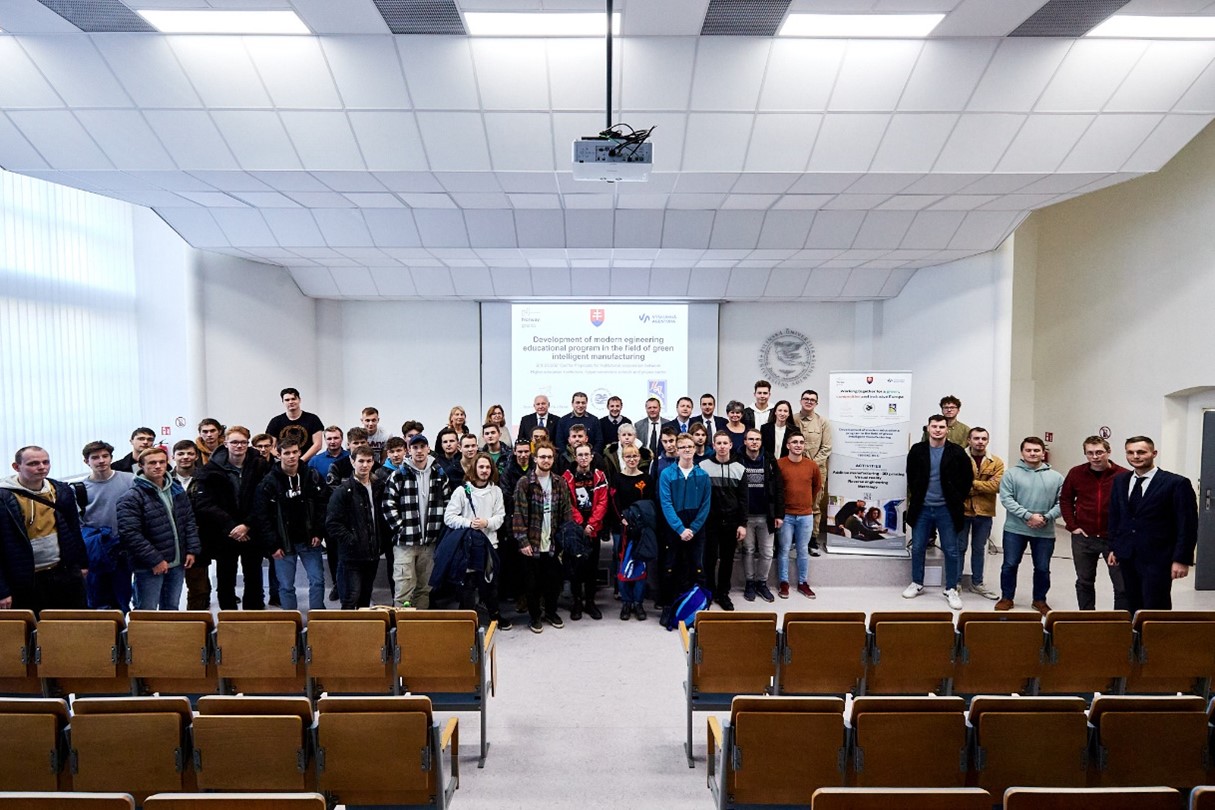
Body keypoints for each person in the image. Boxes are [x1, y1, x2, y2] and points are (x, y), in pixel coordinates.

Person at [1108, 436, 1198, 613]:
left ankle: (1156, 632)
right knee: (1131, 602)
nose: (1136, 456)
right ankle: (1135, 631)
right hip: (1128, 555)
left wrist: (1181, 559)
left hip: (1159, 557)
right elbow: (1116, 516)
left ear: (1154, 453)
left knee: (1156, 604)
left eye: (1141, 452)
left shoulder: (1176, 483)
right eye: (1130, 452)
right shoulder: (1120, 481)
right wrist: (1114, 547)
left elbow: (1187, 525)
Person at [0, 446, 89, 614]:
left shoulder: (61, 490)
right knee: (32, 626)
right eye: (33, 463)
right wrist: (2, 590)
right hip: (25, 579)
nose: (42, 467)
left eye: (45, 462)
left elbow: (74, 530)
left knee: (71, 622)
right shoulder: (4, 498)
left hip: (63, 572)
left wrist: (82, 564)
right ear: (16, 467)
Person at [192, 426, 271, 610]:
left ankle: (254, 613)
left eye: (243, 442)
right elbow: (204, 503)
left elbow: (265, 499)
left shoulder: (260, 466)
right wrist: (231, 525)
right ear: (225, 443)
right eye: (234, 442)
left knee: (254, 575)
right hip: (224, 532)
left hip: (252, 530)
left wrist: (247, 524)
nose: (239, 446)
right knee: (225, 576)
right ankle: (228, 615)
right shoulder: (210, 469)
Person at [116, 446, 200, 611]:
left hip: (177, 562)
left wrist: (191, 549)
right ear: (141, 466)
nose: (158, 466)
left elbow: (188, 520)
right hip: (149, 566)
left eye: (162, 462)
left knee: (171, 608)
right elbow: (130, 534)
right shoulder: (131, 497)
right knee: (146, 610)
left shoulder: (176, 489)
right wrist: (155, 560)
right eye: (152, 463)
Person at [904, 414, 974, 611]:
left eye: (941, 427)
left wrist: (956, 498)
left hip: (947, 510)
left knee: (951, 550)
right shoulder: (917, 450)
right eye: (934, 426)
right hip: (923, 508)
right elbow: (911, 475)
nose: (937, 430)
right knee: (918, 547)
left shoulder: (957, 452)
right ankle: (917, 582)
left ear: (946, 429)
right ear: (928, 428)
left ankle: (951, 588)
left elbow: (967, 478)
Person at [255, 438, 330, 612]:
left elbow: (323, 505)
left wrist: (319, 532)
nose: (292, 456)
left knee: (317, 580)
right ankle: (291, 619)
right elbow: (262, 517)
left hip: (310, 539)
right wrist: (272, 545)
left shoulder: (312, 476)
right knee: (286, 585)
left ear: (299, 453)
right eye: (287, 453)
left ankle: (317, 616)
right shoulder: (269, 482)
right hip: (283, 543)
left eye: (295, 452)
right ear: (279, 455)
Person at [382, 434, 452, 609]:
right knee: (404, 590)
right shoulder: (399, 475)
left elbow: (448, 503)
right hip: (405, 544)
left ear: (428, 449)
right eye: (415, 447)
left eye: (422, 447)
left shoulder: (439, 474)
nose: (419, 451)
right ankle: (401, 622)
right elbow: (388, 504)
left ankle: (418, 622)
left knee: (424, 589)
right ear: (409, 450)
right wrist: (401, 529)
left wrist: (439, 531)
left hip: (430, 543)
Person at [996, 436, 1064, 615]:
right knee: (1010, 565)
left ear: (1043, 453)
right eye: (1028, 450)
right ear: (1022, 453)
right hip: (1015, 529)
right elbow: (1007, 499)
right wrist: (1028, 516)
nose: (1032, 453)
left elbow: (1062, 503)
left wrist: (1045, 518)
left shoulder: (1056, 477)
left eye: (1036, 450)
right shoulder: (1011, 474)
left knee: (1042, 568)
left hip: (1045, 531)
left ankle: (1039, 600)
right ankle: (1006, 598)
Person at [1060, 436, 1128, 611]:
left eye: (1099, 452)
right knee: (1084, 581)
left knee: (1122, 585)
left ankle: (1120, 620)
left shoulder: (1123, 475)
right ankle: (1087, 618)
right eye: (1090, 453)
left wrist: (1122, 535)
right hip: (1084, 538)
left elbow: (1129, 508)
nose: (1095, 457)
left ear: (1108, 452)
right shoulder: (1076, 473)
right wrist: (1072, 525)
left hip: (1113, 539)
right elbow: (1066, 499)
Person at [444, 452, 510, 630]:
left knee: (490, 584)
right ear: (474, 468)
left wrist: (486, 523)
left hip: (489, 545)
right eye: (481, 466)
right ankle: (468, 620)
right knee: (468, 585)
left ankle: (494, 615)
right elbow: (449, 517)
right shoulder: (462, 491)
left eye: (488, 467)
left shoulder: (496, 491)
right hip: (468, 547)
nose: (484, 470)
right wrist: (469, 523)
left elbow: (500, 517)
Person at [513, 443, 572, 633]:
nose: (546, 460)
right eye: (542, 457)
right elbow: (518, 514)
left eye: (549, 457)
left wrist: (564, 538)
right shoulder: (525, 483)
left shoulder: (560, 482)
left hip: (553, 541)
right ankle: (535, 616)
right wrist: (523, 541)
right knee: (532, 584)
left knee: (553, 582)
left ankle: (551, 613)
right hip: (532, 541)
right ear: (535, 459)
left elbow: (566, 512)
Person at [657, 434, 711, 627]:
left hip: (696, 528)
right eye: (683, 447)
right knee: (670, 567)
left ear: (695, 449)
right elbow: (666, 503)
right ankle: (668, 607)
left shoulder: (703, 475)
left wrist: (693, 529)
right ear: (677, 450)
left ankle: (698, 608)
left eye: (690, 446)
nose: (687, 450)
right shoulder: (667, 474)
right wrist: (680, 529)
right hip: (674, 527)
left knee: (697, 566)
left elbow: (705, 505)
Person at [78, 440, 136, 610]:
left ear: (111, 458)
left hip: (123, 549)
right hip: (96, 550)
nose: (101, 460)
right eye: (95, 457)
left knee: (122, 597)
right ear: (86, 461)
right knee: (97, 599)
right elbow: (77, 523)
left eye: (105, 456)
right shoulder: (79, 488)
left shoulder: (130, 480)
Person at [325, 446, 385, 609]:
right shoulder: (343, 491)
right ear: (353, 462)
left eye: (368, 461)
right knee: (351, 597)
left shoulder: (379, 487)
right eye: (361, 461)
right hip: (351, 556)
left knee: (365, 597)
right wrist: (352, 541)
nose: (365, 465)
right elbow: (332, 523)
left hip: (373, 554)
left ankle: (363, 627)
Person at [699, 431, 748, 610]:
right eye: (718, 443)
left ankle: (723, 594)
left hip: (731, 522)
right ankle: (709, 592)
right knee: (709, 559)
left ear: (730, 445)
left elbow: (743, 499)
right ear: (713, 445)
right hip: (710, 522)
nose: (721, 446)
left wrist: (742, 524)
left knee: (727, 560)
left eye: (725, 443)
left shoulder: (739, 468)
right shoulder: (703, 466)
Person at [563, 443, 608, 620]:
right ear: (575, 457)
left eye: (586, 455)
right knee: (576, 567)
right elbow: (568, 503)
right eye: (580, 455)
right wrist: (581, 525)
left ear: (591, 457)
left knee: (592, 567)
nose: (583, 458)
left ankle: (590, 602)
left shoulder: (599, 476)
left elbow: (603, 502)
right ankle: (576, 602)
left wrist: (591, 524)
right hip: (576, 529)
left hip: (594, 529)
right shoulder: (567, 477)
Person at [739, 428, 783, 603]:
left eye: (757, 439)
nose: (754, 442)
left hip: (767, 515)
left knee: (767, 552)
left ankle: (762, 583)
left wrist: (779, 514)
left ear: (761, 441)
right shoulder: (737, 459)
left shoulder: (770, 460)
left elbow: (779, 488)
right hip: (746, 516)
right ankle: (750, 583)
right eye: (751, 439)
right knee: (748, 550)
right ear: (745, 441)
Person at [777, 432, 823, 600]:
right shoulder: (779, 464)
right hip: (786, 515)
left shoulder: (812, 466)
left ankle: (803, 582)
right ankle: (784, 582)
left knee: (803, 549)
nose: (798, 445)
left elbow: (816, 487)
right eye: (794, 442)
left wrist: (805, 502)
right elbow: (776, 489)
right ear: (788, 445)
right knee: (784, 549)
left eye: (801, 442)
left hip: (805, 515)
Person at [609, 444, 652, 619]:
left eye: (635, 456)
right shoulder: (617, 478)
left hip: (641, 528)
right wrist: (622, 519)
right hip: (622, 528)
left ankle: (638, 602)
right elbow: (613, 502)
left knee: (640, 564)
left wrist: (641, 522)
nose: (632, 459)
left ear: (639, 458)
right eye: (628, 456)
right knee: (623, 564)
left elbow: (650, 503)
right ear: (623, 458)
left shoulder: (646, 478)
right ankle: (626, 602)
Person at [961, 427, 1003, 600]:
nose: (980, 442)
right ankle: (955, 582)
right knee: (959, 547)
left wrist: (971, 484)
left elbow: (997, 486)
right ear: (969, 440)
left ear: (988, 441)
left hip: (984, 512)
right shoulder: (959, 458)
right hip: (962, 511)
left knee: (979, 549)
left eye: (983, 438)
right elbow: (955, 484)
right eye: (976, 438)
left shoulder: (996, 462)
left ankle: (977, 583)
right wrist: (983, 485)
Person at [172, 439, 211, 610]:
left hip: (200, 537)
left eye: (190, 453)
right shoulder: (164, 479)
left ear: (196, 456)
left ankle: (197, 619)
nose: (185, 457)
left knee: (198, 585)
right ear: (173, 456)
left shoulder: (206, 478)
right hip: (171, 538)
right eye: (181, 453)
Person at [792, 390, 832, 551]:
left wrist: (811, 466)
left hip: (817, 470)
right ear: (801, 401)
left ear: (816, 403)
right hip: (794, 469)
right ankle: (794, 538)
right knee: (794, 503)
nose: (809, 401)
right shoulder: (792, 419)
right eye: (806, 399)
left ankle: (812, 538)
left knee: (814, 505)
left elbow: (826, 448)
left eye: (812, 400)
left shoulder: (823, 422)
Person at [266, 388, 325, 462]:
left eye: (293, 399)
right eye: (287, 400)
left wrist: (300, 461)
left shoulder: (313, 419)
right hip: (283, 464)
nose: (290, 402)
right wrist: (282, 458)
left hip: (307, 463)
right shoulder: (275, 421)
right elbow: (269, 445)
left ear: (299, 400)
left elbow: (318, 445)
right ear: (283, 402)